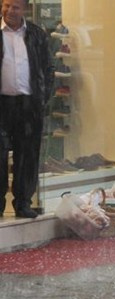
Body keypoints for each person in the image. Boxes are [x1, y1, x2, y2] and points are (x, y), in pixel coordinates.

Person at [0, 0, 54, 218]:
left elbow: (48, 69)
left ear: (25, 9)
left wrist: (42, 99)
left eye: (15, 7)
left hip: (28, 105)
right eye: (5, 5)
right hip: (1, 106)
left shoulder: (37, 35)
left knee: (27, 155)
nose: (9, 11)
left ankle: (23, 203)